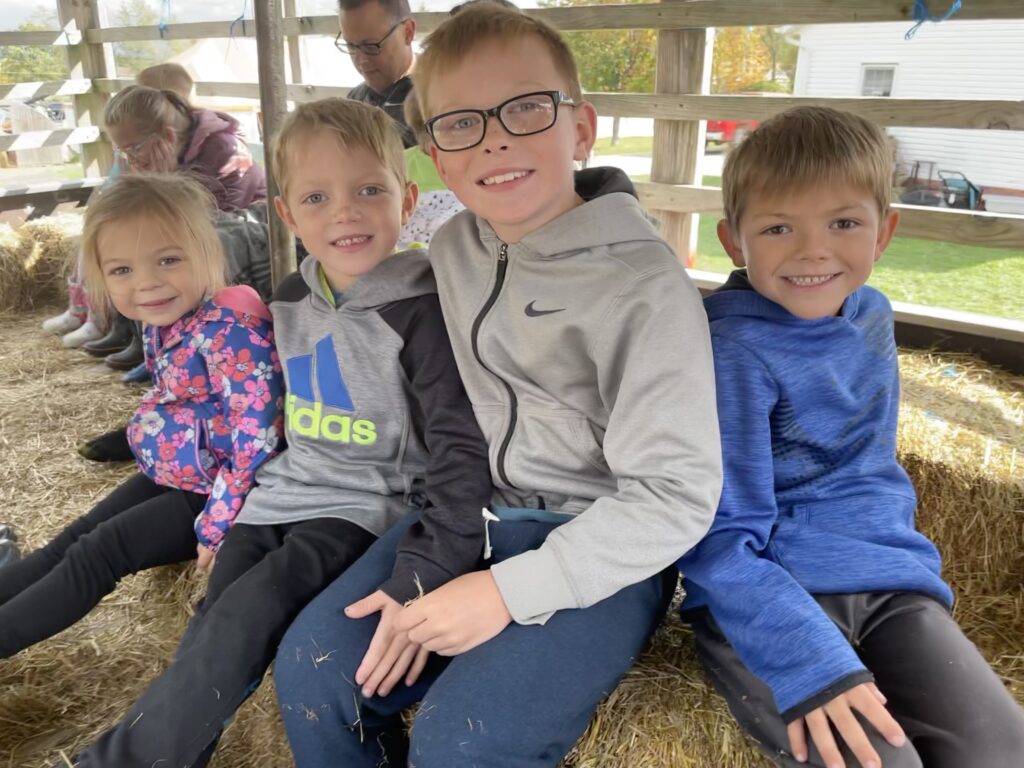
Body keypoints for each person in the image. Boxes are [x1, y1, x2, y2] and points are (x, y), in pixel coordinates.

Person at [273, 7, 722, 767]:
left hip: (592, 549)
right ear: (438, 161)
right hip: (468, 518)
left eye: (524, 108)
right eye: (460, 124)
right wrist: (431, 566)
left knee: (461, 743)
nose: (495, 139)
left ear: (580, 128)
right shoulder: (453, 248)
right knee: (315, 677)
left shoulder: (645, 287)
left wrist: (505, 594)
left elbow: (676, 495)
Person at [59, 97, 493, 768]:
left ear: (407, 199)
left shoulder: (423, 307)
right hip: (279, 492)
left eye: (368, 190)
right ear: (286, 213)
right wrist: (227, 505)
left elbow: (458, 442)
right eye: (316, 197)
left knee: (247, 614)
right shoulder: (291, 297)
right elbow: (261, 412)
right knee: (213, 614)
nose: (343, 212)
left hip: (360, 506)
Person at [676, 106, 1024, 768]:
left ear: (884, 232)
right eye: (779, 227)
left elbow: (867, 468)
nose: (814, 251)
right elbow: (716, 532)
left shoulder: (872, 316)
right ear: (733, 240)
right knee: (882, 764)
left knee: (999, 749)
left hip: (887, 581)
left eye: (843, 223)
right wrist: (809, 661)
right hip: (767, 597)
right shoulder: (732, 349)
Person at [0, 173, 283, 660]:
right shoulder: (166, 318)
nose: (146, 282)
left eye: (168, 260)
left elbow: (257, 437)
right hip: (186, 473)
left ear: (209, 255)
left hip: (229, 492)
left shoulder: (231, 327)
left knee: (100, 552)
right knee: (77, 534)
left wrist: (218, 522)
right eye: (122, 270)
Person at [42, 63, 197, 345]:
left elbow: (201, 214)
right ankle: (94, 316)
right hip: (160, 226)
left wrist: (158, 180)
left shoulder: (212, 148)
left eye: (133, 149)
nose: (129, 156)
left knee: (138, 253)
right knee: (104, 243)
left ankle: (130, 334)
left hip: (192, 237)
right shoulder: (138, 151)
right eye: (123, 150)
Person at [338, 0, 417, 147]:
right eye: (351, 46)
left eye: (371, 46)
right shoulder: (355, 101)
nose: (361, 60)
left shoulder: (438, 100)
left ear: (408, 32)